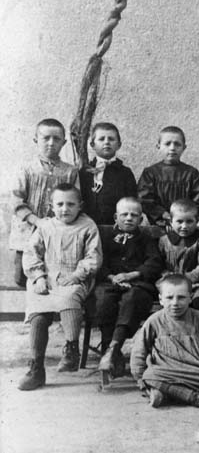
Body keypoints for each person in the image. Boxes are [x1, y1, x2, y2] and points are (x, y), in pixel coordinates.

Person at [17, 184, 102, 390]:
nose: (65, 209)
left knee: (69, 297)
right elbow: (32, 253)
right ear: (51, 206)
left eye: (71, 204)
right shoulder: (45, 226)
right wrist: (38, 277)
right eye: (60, 204)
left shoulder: (87, 226)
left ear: (80, 205)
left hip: (75, 277)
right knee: (39, 312)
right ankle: (36, 368)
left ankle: (72, 349)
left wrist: (77, 275)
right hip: (46, 277)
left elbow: (93, 256)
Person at [130, 274, 199, 413]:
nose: (175, 303)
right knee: (150, 375)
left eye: (181, 297)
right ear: (161, 299)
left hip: (198, 372)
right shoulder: (154, 321)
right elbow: (139, 352)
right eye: (169, 298)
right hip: (167, 372)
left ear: (190, 298)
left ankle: (165, 393)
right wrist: (141, 381)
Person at [94, 197, 162, 378]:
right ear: (116, 217)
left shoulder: (146, 239)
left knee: (132, 299)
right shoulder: (106, 238)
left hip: (138, 284)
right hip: (110, 282)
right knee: (104, 299)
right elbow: (99, 262)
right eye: (124, 214)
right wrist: (112, 277)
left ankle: (113, 348)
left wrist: (131, 275)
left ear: (141, 218)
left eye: (134, 215)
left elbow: (154, 263)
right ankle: (109, 351)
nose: (129, 218)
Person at [10, 118, 80, 287]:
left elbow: (76, 200)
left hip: (55, 234)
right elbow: (16, 200)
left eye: (56, 139)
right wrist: (37, 221)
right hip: (27, 232)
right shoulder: (26, 168)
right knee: (22, 277)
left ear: (64, 143)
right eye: (46, 138)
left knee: (50, 275)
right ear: (36, 140)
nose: (51, 143)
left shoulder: (70, 171)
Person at [137, 126, 199, 227]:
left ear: (184, 148)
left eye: (177, 144)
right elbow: (144, 199)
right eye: (167, 144)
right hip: (158, 225)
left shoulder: (191, 173)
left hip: (185, 225)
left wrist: (185, 217)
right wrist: (162, 214)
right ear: (158, 146)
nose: (172, 148)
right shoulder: (150, 173)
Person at [158, 199, 199, 314]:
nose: (184, 226)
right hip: (170, 284)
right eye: (179, 221)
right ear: (171, 221)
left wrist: (186, 278)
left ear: (197, 221)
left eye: (189, 221)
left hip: (197, 284)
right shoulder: (164, 241)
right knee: (169, 300)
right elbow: (158, 264)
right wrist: (169, 277)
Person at [79, 122, 138, 225]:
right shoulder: (85, 172)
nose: (106, 142)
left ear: (119, 145)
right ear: (92, 145)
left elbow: (132, 201)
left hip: (117, 226)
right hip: (88, 226)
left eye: (111, 139)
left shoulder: (125, 173)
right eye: (101, 139)